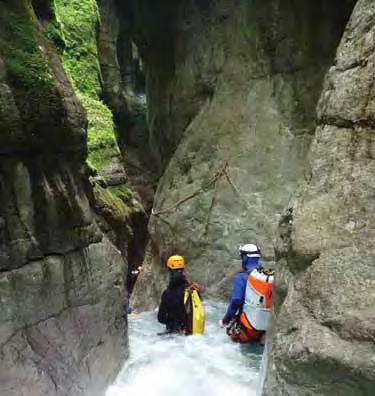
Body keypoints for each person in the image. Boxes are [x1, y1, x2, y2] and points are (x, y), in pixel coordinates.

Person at [219, 243, 273, 343]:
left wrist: (224, 321)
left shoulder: (242, 277)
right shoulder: (266, 277)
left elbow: (235, 301)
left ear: (245, 258)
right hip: (264, 330)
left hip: (245, 329)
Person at [157, 255, 203, 334]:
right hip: (189, 333)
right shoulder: (192, 290)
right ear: (183, 269)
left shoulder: (167, 294)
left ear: (169, 270)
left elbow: (161, 318)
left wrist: (170, 321)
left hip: (173, 332)